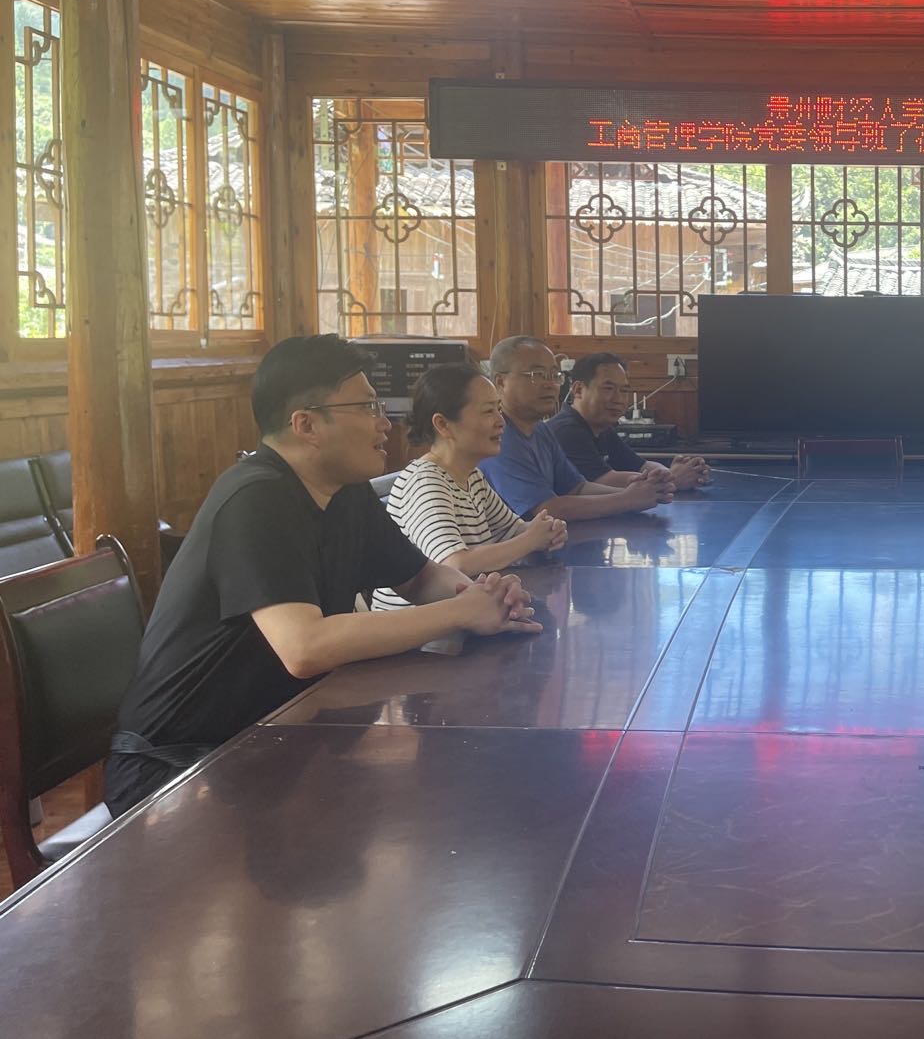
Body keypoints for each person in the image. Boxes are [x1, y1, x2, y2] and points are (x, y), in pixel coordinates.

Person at [105, 335, 541, 817]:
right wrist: (460, 612)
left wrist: (486, 597)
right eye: (367, 407)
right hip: (177, 770)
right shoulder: (255, 499)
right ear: (307, 425)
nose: (385, 422)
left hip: (275, 739)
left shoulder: (345, 492)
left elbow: (418, 579)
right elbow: (304, 647)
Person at [371, 362, 568, 610]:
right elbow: (453, 563)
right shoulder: (425, 481)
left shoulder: (472, 476)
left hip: (464, 613)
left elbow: (515, 531)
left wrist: (546, 531)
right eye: (488, 411)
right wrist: (530, 540)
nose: (501, 421)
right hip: (418, 626)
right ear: (443, 425)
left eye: (499, 409)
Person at [479, 335, 670, 520]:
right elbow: (546, 509)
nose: (550, 384)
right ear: (501, 382)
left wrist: (634, 490)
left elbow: (577, 488)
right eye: (537, 375)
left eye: (554, 375)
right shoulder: (498, 436)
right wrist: (626, 499)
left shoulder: (540, 430)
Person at [546, 351, 712, 492]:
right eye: (608, 388)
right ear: (578, 390)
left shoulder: (602, 428)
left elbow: (641, 465)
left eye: (624, 390)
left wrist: (669, 472)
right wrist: (673, 479)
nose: (618, 399)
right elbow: (603, 481)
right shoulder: (566, 430)